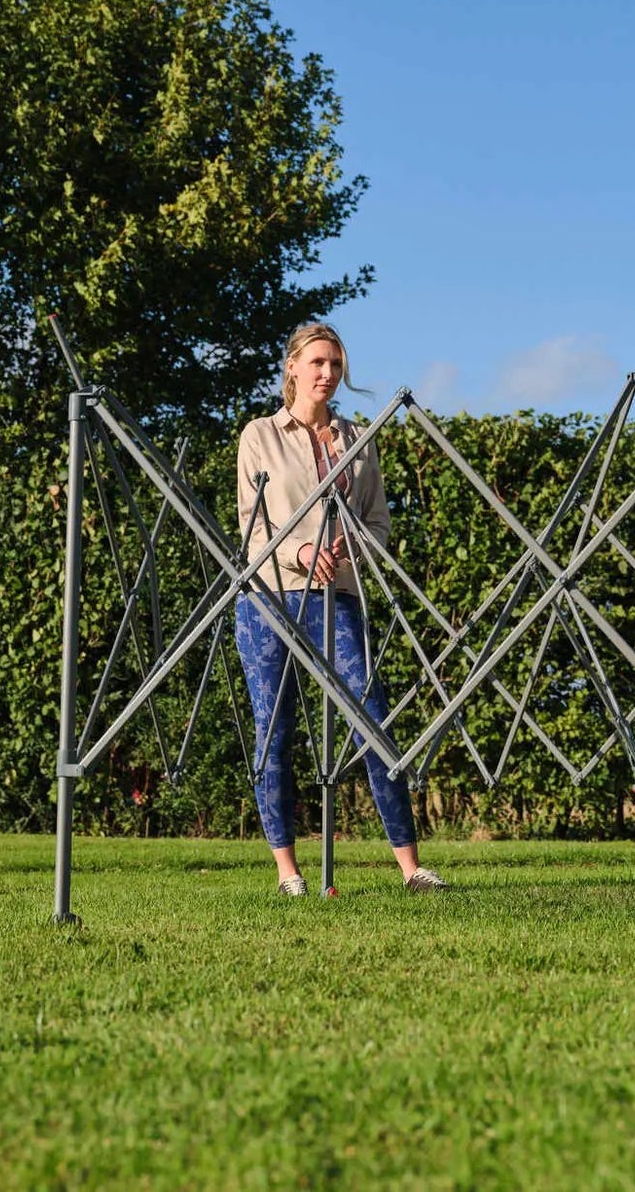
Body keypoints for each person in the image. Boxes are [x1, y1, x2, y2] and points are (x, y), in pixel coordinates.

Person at [234, 322, 446, 897]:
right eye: (318, 363)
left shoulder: (358, 437)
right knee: (273, 732)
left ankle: (411, 868)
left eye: (336, 364)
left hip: (339, 596)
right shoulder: (259, 435)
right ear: (293, 368)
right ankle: (288, 873)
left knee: (372, 720)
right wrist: (301, 551)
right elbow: (252, 530)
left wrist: (349, 547)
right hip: (268, 600)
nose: (328, 374)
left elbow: (377, 522)